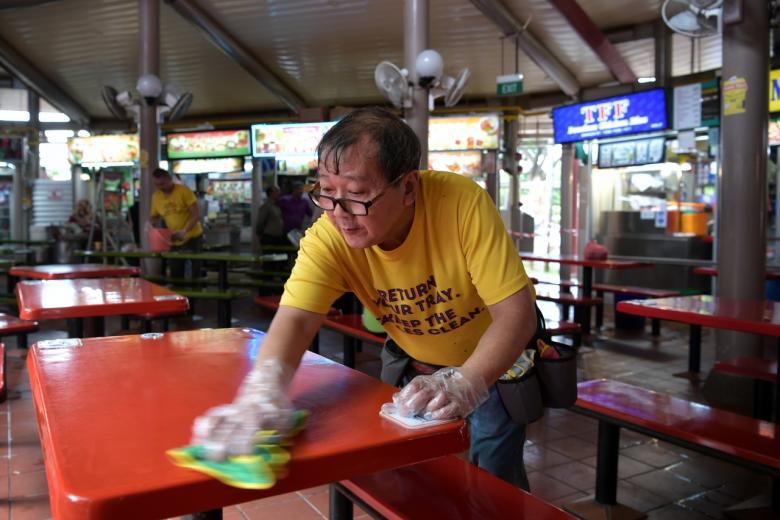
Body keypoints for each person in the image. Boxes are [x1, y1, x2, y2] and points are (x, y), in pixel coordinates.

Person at [191, 108, 537, 489]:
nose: (340, 215)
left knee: (493, 474)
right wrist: (260, 393)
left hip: (492, 364)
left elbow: (515, 315)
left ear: (408, 188)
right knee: (409, 476)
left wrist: (466, 382)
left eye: (357, 196)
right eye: (326, 193)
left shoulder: (460, 204)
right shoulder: (329, 237)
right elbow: (296, 318)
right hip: (414, 362)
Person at [149, 168, 204, 279]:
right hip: (173, 239)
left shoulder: (184, 191)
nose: (161, 187)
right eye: (157, 185)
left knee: (194, 272)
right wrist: (150, 224)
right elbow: (154, 216)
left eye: (163, 183)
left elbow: (196, 215)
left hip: (193, 237)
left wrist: (184, 231)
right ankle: (178, 295)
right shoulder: (156, 197)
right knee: (175, 271)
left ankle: (195, 295)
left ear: (170, 179)